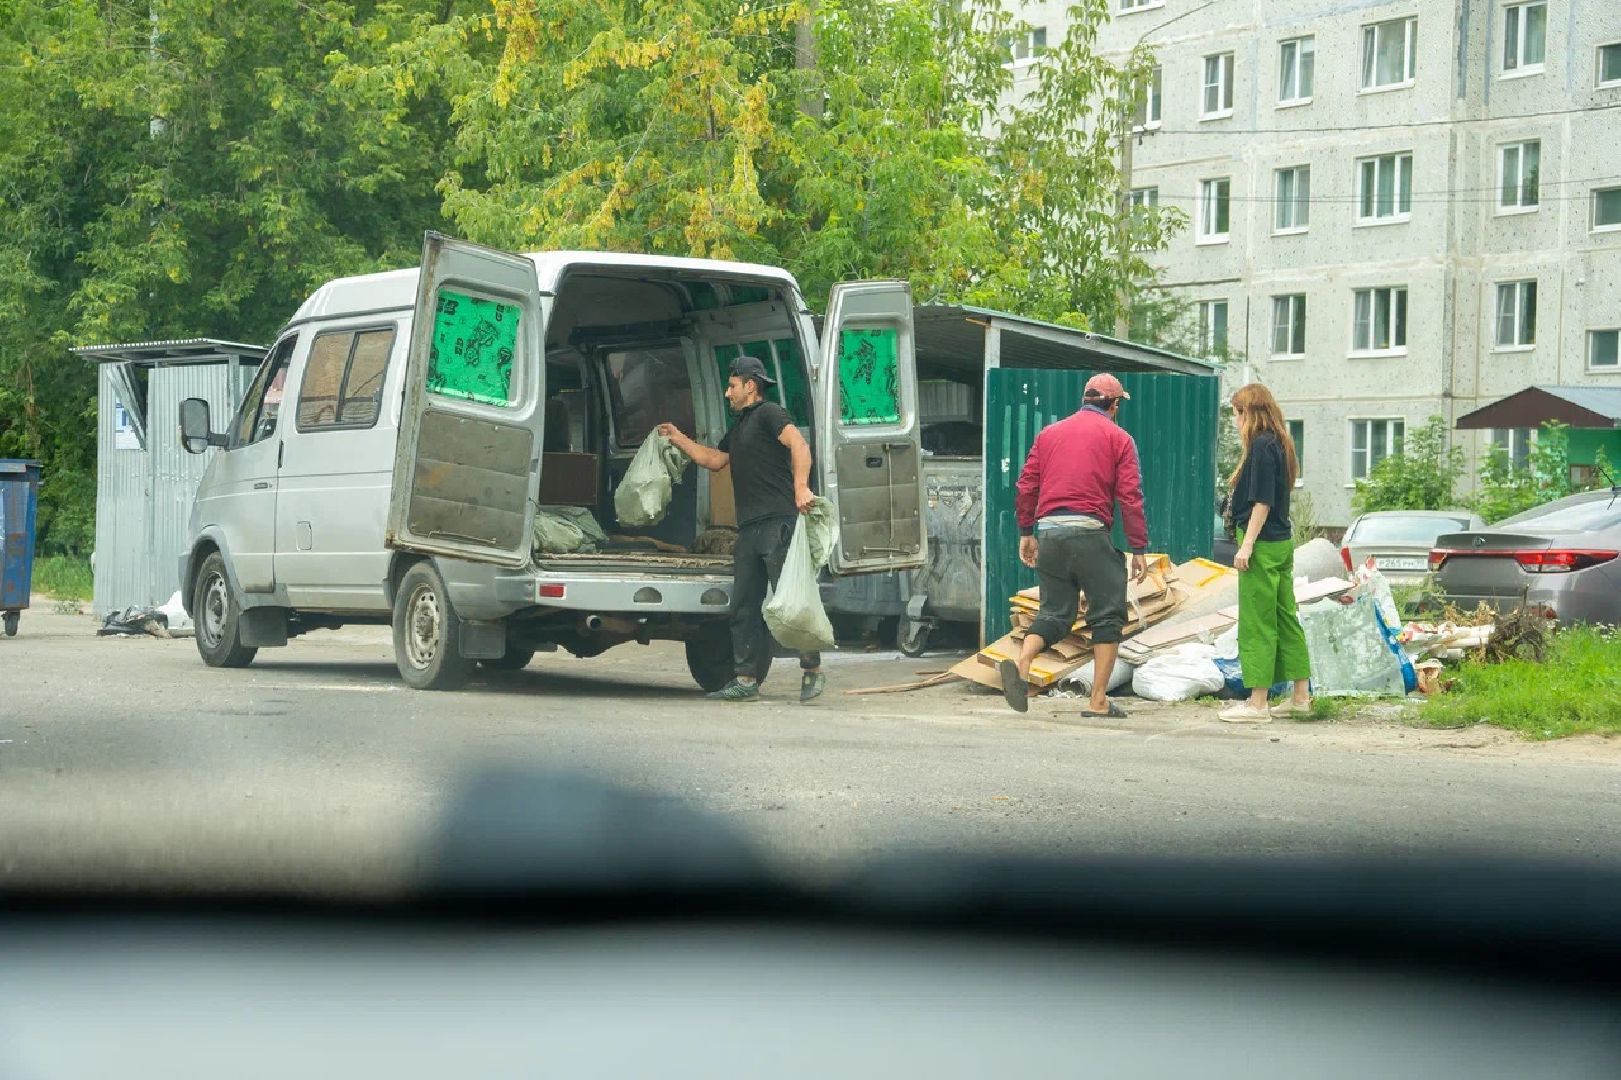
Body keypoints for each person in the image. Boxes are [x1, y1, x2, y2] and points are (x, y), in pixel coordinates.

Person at [658, 356, 824, 704]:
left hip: (779, 523)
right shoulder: (739, 427)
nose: (726, 392)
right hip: (749, 530)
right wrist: (677, 438)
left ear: (751, 385)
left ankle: (812, 670)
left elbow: (799, 445)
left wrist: (801, 487)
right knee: (744, 607)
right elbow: (713, 460)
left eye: (732, 385)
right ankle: (746, 680)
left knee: (792, 602)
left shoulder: (770, 414)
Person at [1000, 374, 1150, 717]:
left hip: (1049, 533)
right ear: (1114, 405)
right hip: (1089, 533)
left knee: (1054, 613)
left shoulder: (1049, 435)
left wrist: (1026, 531)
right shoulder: (1120, 438)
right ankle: (1098, 700)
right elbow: (1130, 496)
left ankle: (1023, 659)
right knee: (1108, 616)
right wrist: (1138, 547)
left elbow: (1026, 486)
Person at [1218, 383, 1311, 723]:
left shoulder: (1259, 446)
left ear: (1247, 413)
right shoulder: (1282, 443)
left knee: (1258, 622)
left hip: (1261, 543)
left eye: (1235, 414)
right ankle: (1301, 695)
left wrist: (1246, 545)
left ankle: (1257, 703)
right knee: (1286, 617)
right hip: (1282, 541)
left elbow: (1262, 501)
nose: (1234, 421)